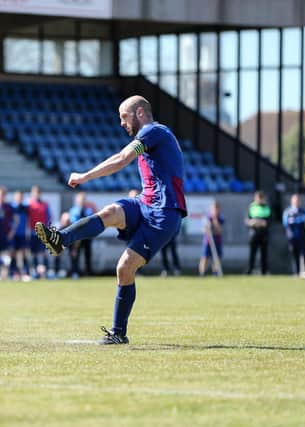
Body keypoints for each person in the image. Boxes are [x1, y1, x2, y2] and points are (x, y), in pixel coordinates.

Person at [35, 95, 187, 345]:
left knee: (124, 269)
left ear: (139, 113)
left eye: (124, 117)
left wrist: (84, 176)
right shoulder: (149, 136)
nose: (121, 123)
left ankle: (118, 333)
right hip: (144, 203)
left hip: (164, 213)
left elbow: (121, 158)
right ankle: (60, 239)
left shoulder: (153, 131)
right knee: (110, 213)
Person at [68, 192, 95, 278]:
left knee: (88, 254)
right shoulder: (73, 210)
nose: (82, 201)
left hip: (87, 236)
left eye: (83, 200)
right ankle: (75, 271)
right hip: (77, 236)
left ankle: (88, 272)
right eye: (80, 200)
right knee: (75, 254)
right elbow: (73, 223)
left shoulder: (89, 210)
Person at [283, 193, 305, 276]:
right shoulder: (287, 211)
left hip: (302, 236)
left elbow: (304, 219)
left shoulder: (303, 211)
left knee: (304, 254)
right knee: (295, 255)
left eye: (297, 200)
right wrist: (294, 221)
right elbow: (285, 222)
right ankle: (297, 272)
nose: (296, 202)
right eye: (295, 200)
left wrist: (294, 220)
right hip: (292, 237)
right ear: (292, 201)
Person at [27, 186, 51, 279]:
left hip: (43, 233)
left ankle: (47, 272)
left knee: (43, 253)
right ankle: (36, 273)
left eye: (37, 193)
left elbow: (48, 218)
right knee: (34, 253)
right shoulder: (29, 205)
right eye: (34, 193)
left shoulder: (45, 205)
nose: (35, 195)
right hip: (33, 233)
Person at [0, 186, 15, 281]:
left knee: (8, 254)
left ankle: (8, 273)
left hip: (6, 233)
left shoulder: (8, 206)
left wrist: (12, 232)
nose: (0, 196)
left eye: (2, 194)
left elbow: (15, 220)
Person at [246, 191, 271, 275]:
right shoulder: (252, 207)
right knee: (252, 253)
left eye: (260, 198)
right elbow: (247, 220)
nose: (258, 200)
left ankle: (264, 271)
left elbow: (269, 220)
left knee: (264, 253)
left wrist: (262, 222)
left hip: (263, 233)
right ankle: (250, 270)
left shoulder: (266, 207)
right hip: (254, 233)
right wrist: (252, 222)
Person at [10, 190, 31, 281]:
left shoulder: (25, 208)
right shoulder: (11, 207)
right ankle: (14, 272)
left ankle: (26, 272)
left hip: (22, 234)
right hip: (14, 235)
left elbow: (28, 221)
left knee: (23, 253)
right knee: (13, 253)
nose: (19, 198)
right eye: (17, 196)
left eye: (20, 197)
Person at [199, 201, 224, 276]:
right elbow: (204, 230)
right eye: (214, 208)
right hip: (208, 241)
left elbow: (219, 230)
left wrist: (215, 220)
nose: (215, 210)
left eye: (217, 208)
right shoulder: (207, 218)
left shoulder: (220, 217)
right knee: (205, 257)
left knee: (216, 258)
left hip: (217, 241)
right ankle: (202, 274)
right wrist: (208, 229)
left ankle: (215, 273)